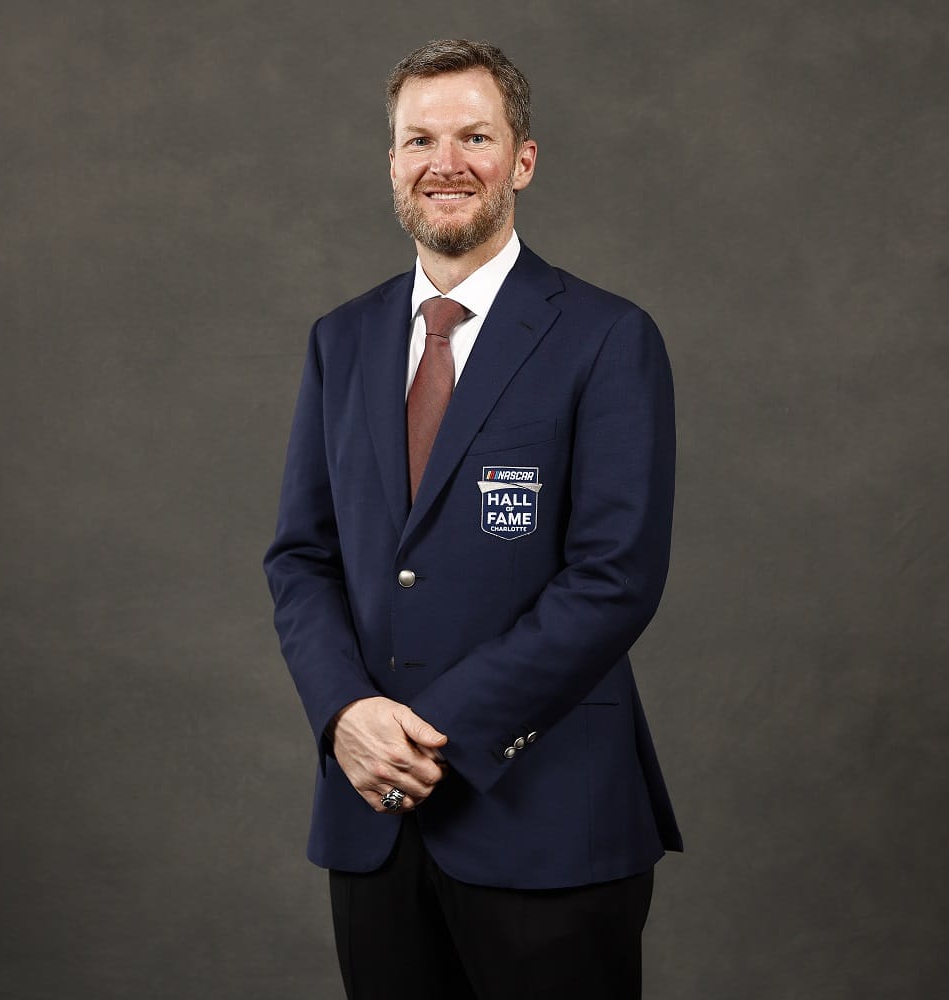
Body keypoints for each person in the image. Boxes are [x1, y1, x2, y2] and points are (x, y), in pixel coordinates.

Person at [264, 38, 682, 1000]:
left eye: (474, 136)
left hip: (549, 818)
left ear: (522, 161)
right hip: (373, 817)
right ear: (393, 163)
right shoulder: (343, 339)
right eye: (419, 139)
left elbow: (614, 576)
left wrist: (429, 731)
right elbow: (301, 556)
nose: (444, 162)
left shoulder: (608, 337)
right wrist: (346, 717)